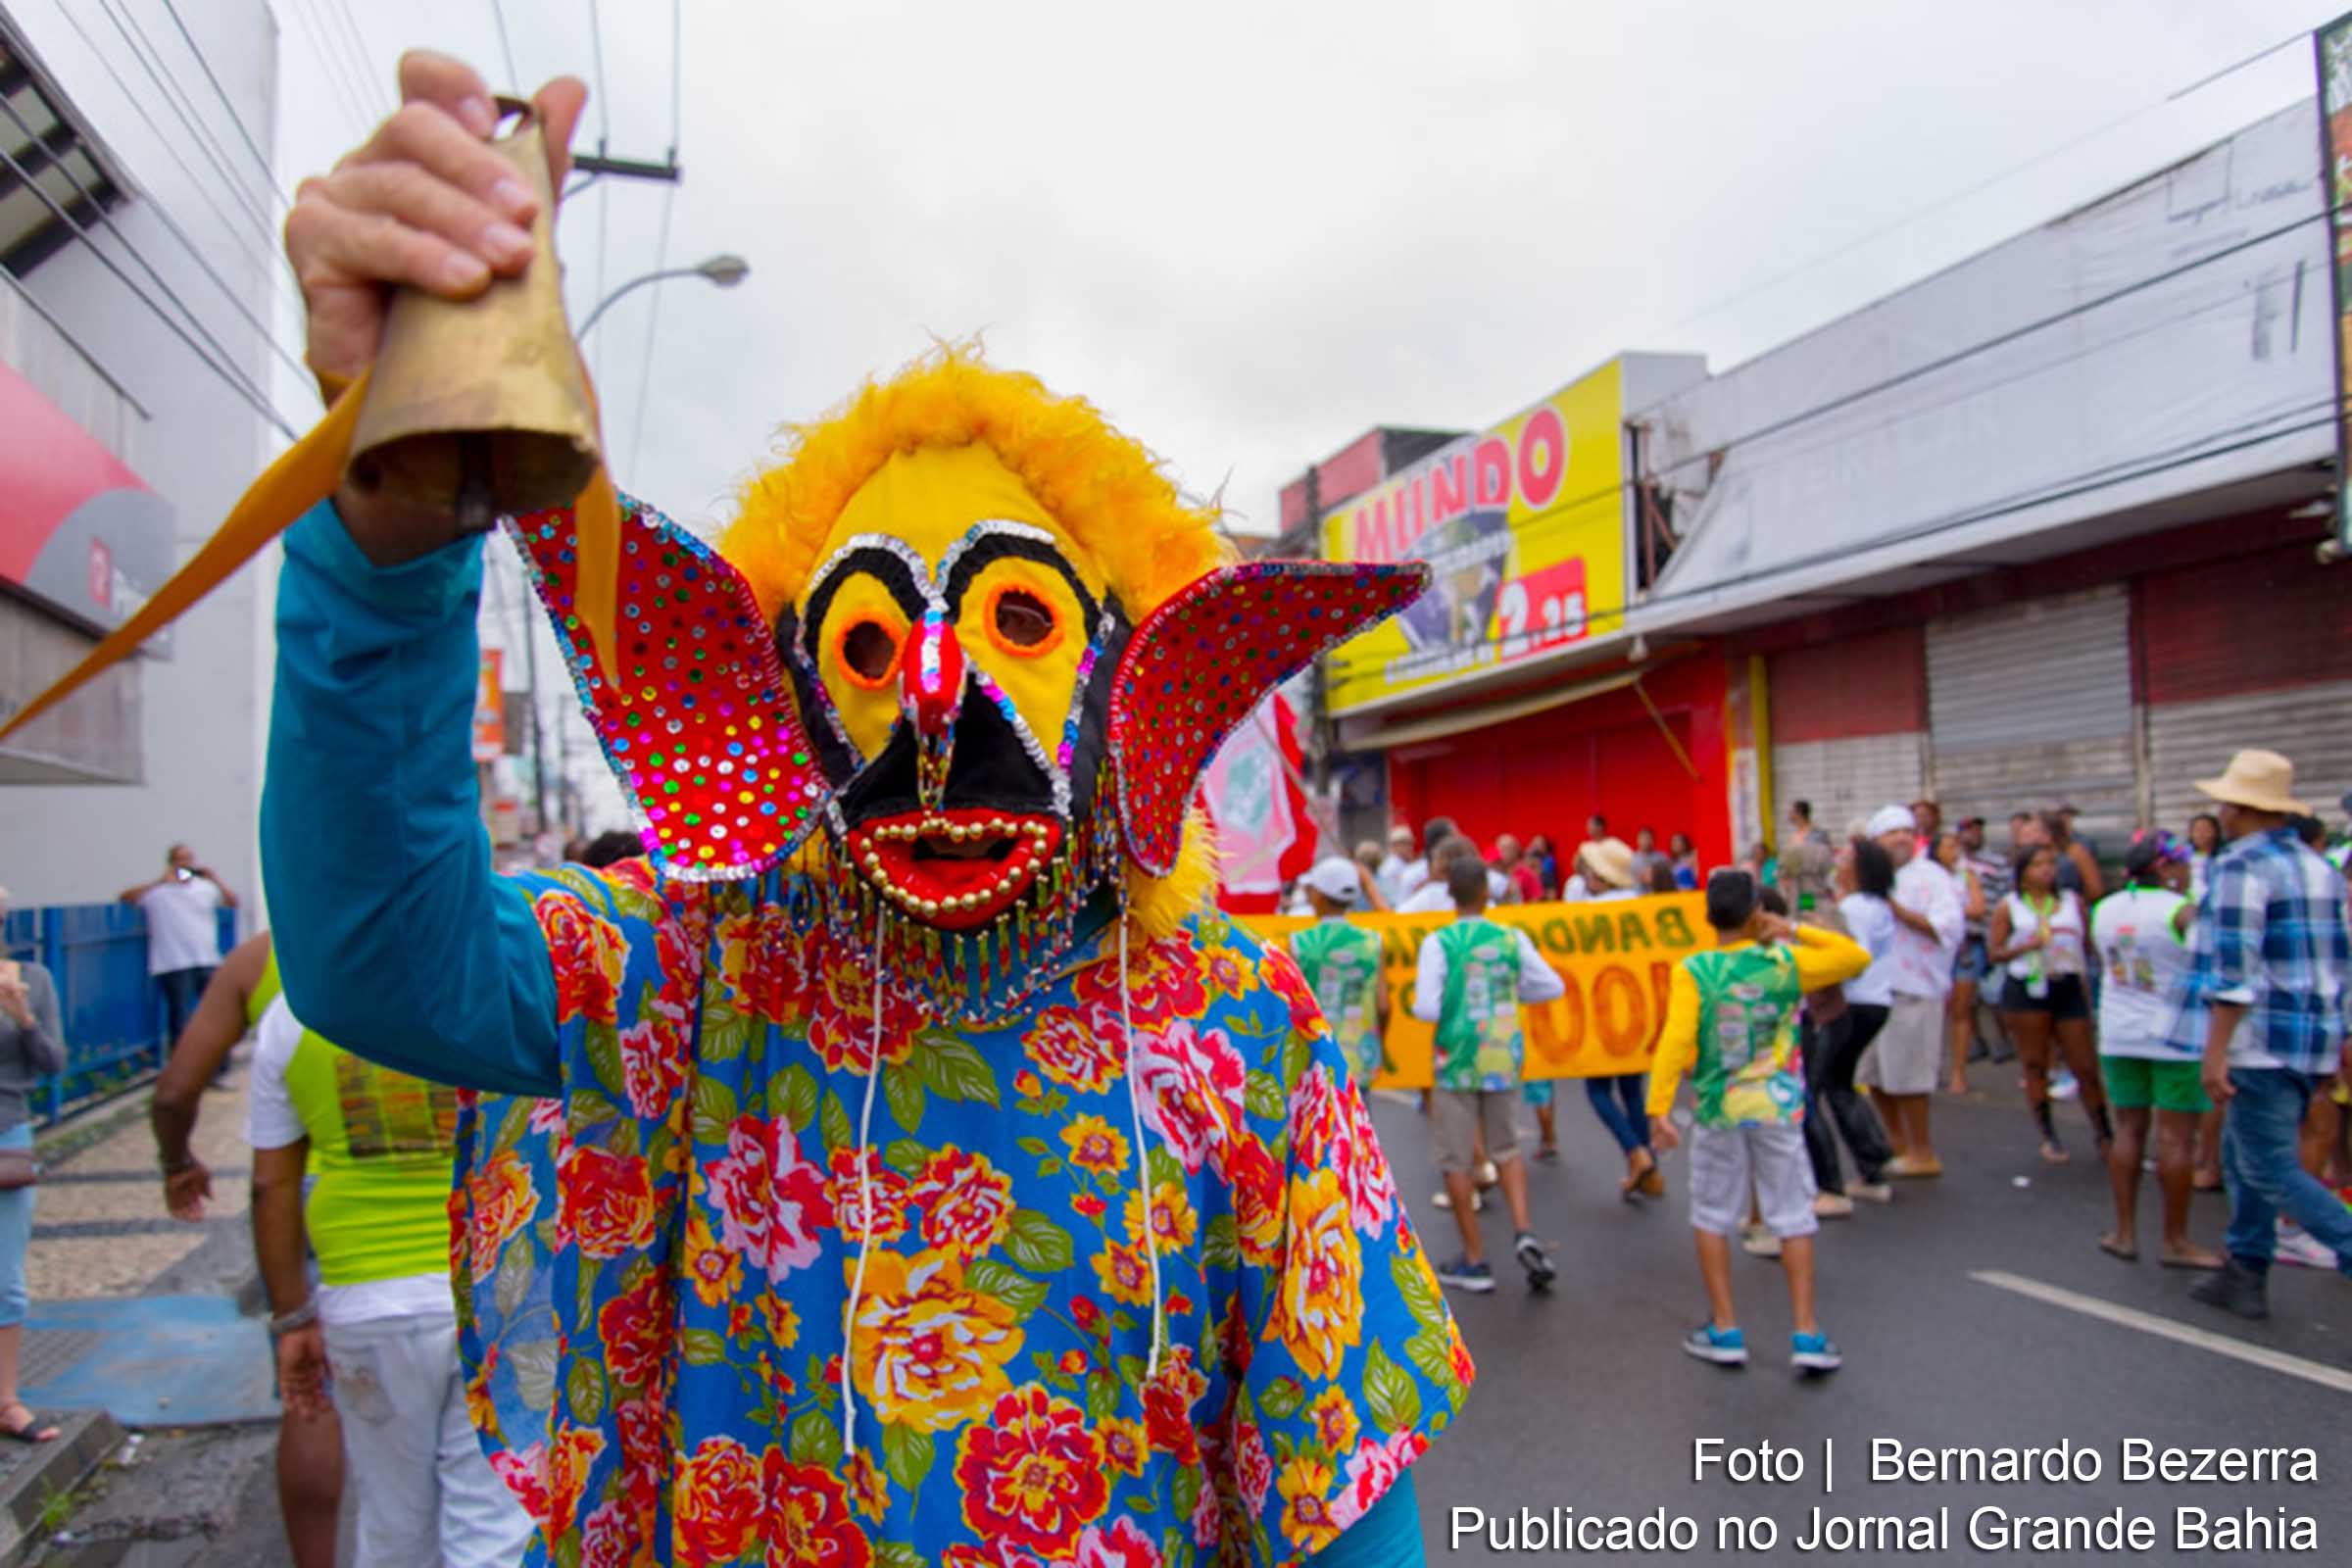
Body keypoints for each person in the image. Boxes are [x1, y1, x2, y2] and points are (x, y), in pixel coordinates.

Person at [260, 52, 1459, 1561]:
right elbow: (378, 956)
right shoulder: (693, 967)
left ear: (1137, 675)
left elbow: (1338, 1491)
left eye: (1019, 625)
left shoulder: (1243, 1028)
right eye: (871, 648)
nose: (940, 716)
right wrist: (397, 506)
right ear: (775, 700)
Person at [247, 995, 533, 1566]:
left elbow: (270, 1186)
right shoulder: (485, 985)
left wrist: (293, 1318)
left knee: (392, 1522)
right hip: (496, 1293)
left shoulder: (297, 1008)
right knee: (493, 1522)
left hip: (365, 1298)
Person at [147, 933, 347, 1565]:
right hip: (432, 1207)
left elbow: (175, 1091)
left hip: (303, 1193)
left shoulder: (263, 958)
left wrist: (177, 1161)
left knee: (309, 1397)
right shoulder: (440, 924)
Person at [1648, 870, 1870, 1373]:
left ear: (1708, 915)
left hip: (1718, 1108)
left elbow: (1675, 1041)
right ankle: (1806, 1334)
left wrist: (1658, 1108)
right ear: (1756, 914)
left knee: (1711, 1213)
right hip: (1776, 1106)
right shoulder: (1783, 963)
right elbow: (1854, 958)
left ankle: (1726, 1328)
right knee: (1792, 1214)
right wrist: (1791, 929)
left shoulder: (1696, 971)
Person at [2173, 751, 2352, 1318]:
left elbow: (2234, 969)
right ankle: (2245, 1267)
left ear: (2242, 808)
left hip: (2259, 1039)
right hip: (2309, 1035)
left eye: (2226, 802)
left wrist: (2215, 1052)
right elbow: (2338, 961)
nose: (2219, 812)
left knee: (2269, 1165)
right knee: (2241, 1153)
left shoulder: (2240, 868)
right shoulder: (2318, 865)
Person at [1412, 857, 1563, 1292]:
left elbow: (1426, 1007)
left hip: (1456, 1059)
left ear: (1451, 895)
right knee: (1507, 1146)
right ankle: (1523, 1230)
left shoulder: (1439, 943)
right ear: (1485, 893)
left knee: (1455, 1158)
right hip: (1502, 1056)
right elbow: (1552, 986)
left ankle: (1475, 1259)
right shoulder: (1512, 938)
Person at [2091, 833, 2220, 1270]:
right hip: (2175, 1037)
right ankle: (2175, 1239)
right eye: (2182, 867)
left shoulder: (2105, 909)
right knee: (2176, 1137)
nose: (2187, 876)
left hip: (2118, 1032)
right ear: (2166, 869)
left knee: (2128, 1129)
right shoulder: (2180, 910)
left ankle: (2124, 1233)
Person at [1989, 842, 2111, 1163]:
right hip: (2026, 988)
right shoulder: (2010, 906)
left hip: (2066, 983)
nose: (2046, 870)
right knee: (2035, 1064)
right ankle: (2049, 1134)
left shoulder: (2072, 902)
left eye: (2050, 863)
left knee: (2085, 1065)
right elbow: (1995, 951)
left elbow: (2086, 948)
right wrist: (2024, 947)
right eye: (2037, 864)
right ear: (2023, 873)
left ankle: (2104, 1133)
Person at [1858, 806, 1962, 1177]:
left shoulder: (1930, 877)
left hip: (1913, 988)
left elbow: (1946, 927)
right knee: (1876, 1074)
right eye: (1891, 833)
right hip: (1871, 990)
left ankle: (1922, 1150)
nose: (1901, 838)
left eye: (1906, 831)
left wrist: (1896, 910)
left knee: (1911, 1076)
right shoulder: (1864, 878)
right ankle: (1897, 1143)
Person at [0, 884, 65, 1445]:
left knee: (6, 1277)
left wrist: (22, 1016)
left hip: (7, 1135)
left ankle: (7, 1401)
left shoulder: (31, 980)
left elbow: (52, 1063)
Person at [1806, 841, 1898, 1211]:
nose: (1839, 863)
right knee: (1839, 1083)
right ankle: (1873, 1162)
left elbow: (1849, 958)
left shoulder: (1854, 908)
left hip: (1853, 1004)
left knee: (1813, 1092)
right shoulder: (1876, 906)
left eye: (1846, 859)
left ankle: (1832, 1184)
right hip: (1876, 1000)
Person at [1569, 840, 1659, 1198]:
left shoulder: (1587, 910)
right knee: (1633, 1091)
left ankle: (1635, 1153)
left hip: (1601, 1011)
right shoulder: (1642, 905)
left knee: (1597, 1090)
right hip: (1636, 1009)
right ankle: (1650, 1169)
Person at [119, 846, 238, 1050]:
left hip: (206, 959)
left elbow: (232, 902)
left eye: (189, 859)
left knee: (217, 1014)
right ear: (171, 863)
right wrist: (161, 880)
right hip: (174, 963)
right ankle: (183, 1064)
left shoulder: (205, 888)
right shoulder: (158, 892)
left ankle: (218, 1065)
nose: (185, 865)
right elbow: (125, 897)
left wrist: (213, 878)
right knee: (180, 1019)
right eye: (180, 860)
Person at [1288, 858, 1389, 1088]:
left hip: (1315, 1059)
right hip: (1360, 1057)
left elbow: (1292, 1006)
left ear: (1320, 896)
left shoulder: (1299, 943)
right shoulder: (1373, 942)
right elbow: (1383, 1005)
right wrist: (1378, 1039)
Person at [1935, 829, 1988, 1095]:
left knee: (1961, 1010)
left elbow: (1979, 908)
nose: (1954, 851)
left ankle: (1958, 1072)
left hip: (1966, 947)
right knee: (1936, 1011)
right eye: (1948, 847)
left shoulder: (1967, 875)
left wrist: (1947, 913)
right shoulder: (1928, 878)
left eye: (1956, 846)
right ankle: (1933, 1068)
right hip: (1936, 949)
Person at [1399, 814, 1457, 901]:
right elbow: (1402, 908)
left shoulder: (1462, 871)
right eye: (1455, 836)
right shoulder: (1412, 874)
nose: (1458, 840)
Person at [1495, 833, 1544, 905]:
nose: (1502, 852)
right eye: (1499, 848)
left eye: (1506, 848)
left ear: (1516, 850)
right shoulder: (1492, 873)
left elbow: (1536, 899)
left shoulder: (1527, 874)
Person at [1378, 823, 1416, 907]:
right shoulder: (1392, 866)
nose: (1410, 847)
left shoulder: (1401, 863)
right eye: (1406, 843)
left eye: (1410, 843)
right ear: (1395, 845)